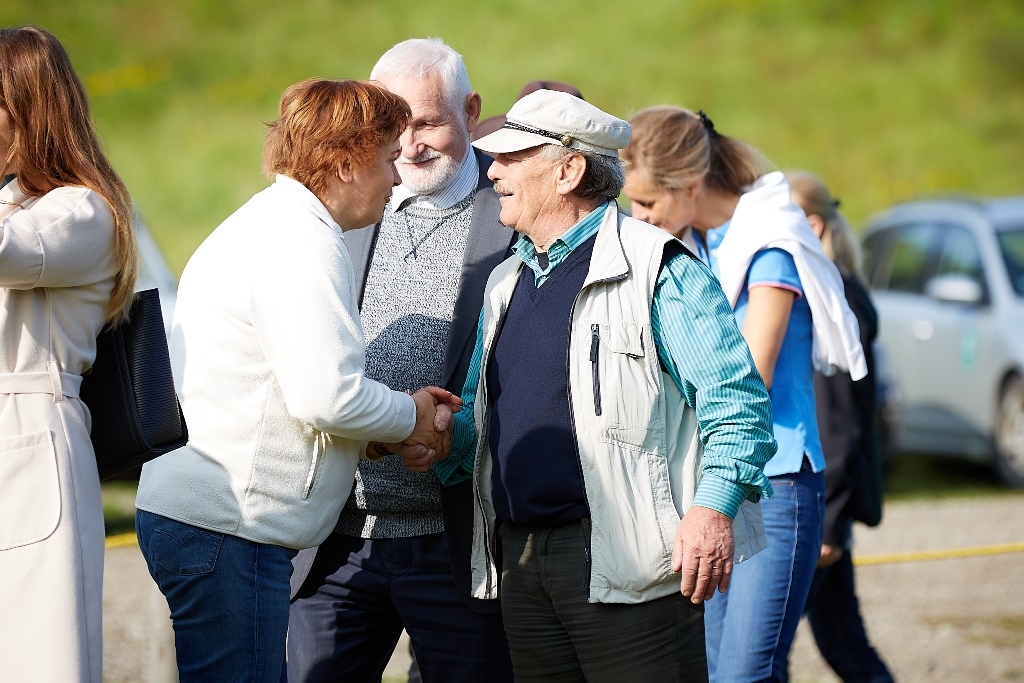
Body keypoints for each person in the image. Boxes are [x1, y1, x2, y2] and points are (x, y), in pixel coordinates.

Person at [428, 89, 778, 682]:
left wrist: (712, 512)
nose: (493, 171)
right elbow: (481, 425)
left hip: (631, 564)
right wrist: (440, 438)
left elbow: (737, 405)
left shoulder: (658, 266)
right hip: (520, 562)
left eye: (513, 158)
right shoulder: (504, 281)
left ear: (568, 170)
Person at [133, 78, 460, 682]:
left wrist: (381, 436)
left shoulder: (271, 224)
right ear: (343, 164)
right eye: (388, 159)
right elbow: (327, 396)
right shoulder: (300, 240)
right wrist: (413, 415)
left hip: (215, 520)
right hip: (230, 528)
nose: (396, 179)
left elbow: (284, 392)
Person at [286, 39, 516, 683]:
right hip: (340, 538)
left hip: (457, 541)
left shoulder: (515, 210)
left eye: (428, 122)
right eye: (393, 125)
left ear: (471, 112)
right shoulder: (345, 202)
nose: (409, 145)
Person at [622, 106, 867, 682]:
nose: (639, 218)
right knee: (715, 671)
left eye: (648, 205)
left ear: (688, 187)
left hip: (778, 482)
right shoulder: (702, 244)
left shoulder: (767, 248)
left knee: (744, 675)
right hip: (719, 482)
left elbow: (748, 379)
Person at [0, 25, 138, 683]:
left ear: (26, 109)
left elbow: (9, 252)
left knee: (36, 656)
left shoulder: (79, 212)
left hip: (31, 440)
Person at [786, 170, 894, 683]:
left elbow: (839, 422)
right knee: (844, 644)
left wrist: (829, 523)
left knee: (763, 656)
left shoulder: (833, 303)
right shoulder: (835, 291)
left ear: (809, 224)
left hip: (822, 510)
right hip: (830, 507)